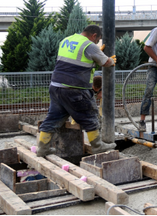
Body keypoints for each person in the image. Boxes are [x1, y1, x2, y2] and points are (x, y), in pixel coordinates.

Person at [37, 25, 116, 157]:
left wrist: (96, 53)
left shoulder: (66, 40)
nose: (96, 43)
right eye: (97, 40)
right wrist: (111, 61)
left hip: (56, 86)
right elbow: (106, 62)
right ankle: (97, 146)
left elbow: (76, 62)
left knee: (53, 117)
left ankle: (42, 148)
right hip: (75, 89)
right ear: (94, 35)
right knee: (90, 115)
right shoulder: (89, 45)